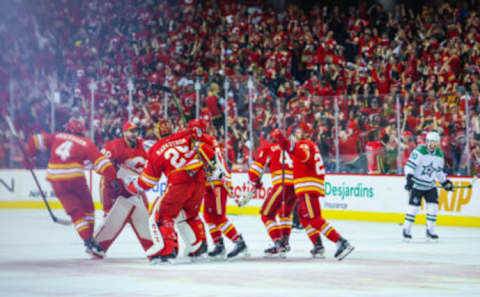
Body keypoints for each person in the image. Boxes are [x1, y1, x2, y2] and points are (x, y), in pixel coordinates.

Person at [25, 119, 121, 258]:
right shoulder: (86, 143)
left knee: (75, 211)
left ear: (68, 129)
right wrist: (113, 178)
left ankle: (87, 240)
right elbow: (102, 163)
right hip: (74, 177)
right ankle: (91, 240)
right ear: (82, 132)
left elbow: (35, 140)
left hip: (55, 179)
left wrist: (29, 157)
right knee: (88, 207)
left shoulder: (57, 136)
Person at [127, 122, 215, 263]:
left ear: (158, 133)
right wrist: (197, 133)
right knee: (189, 215)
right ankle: (198, 247)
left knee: (162, 214)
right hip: (199, 180)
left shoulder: (156, 148)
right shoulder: (186, 135)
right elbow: (208, 143)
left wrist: (134, 186)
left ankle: (167, 250)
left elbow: (149, 181)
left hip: (179, 181)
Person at [274, 120, 354, 260]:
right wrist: (284, 143)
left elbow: (302, 155)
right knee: (304, 217)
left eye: (299, 131)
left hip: (307, 186)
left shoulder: (305, 144)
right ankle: (317, 245)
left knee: (314, 218)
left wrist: (285, 142)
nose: (296, 134)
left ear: (305, 133)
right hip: (306, 186)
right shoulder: (309, 144)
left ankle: (341, 242)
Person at [94, 121, 154, 255]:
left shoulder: (144, 145)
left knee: (144, 214)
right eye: (130, 131)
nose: (134, 134)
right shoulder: (114, 146)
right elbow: (98, 164)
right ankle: (98, 246)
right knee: (110, 216)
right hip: (112, 186)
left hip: (133, 186)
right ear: (124, 132)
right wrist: (112, 177)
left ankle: (152, 246)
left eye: (135, 131)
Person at [248, 128, 296, 257]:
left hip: (282, 184)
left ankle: (278, 243)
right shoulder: (291, 148)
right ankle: (285, 243)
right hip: (295, 186)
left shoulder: (267, 149)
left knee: (266, 214)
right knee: (284, 213)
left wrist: (255, 182)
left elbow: (254, 172)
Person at [202, 129, 248, 259]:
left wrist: (224, 179)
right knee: (208, 216)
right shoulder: (201, 146)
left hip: (217, 185)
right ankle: (219, 244)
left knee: (218, 216)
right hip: (208, 185)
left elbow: (222, 167)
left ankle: (239, 241)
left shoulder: (209, 147)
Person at [402, 131, 454, 240]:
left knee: (433, 208)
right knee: (414, 209)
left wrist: (445, 182)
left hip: (430, 186)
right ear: (427, 141)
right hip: (417, 185)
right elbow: (409, 166)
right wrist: (409, 179)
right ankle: (406, 230)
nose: (433, 144)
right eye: (431, 142)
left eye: (435, 142)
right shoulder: (419, 151)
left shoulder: (439, 154)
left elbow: (438, 171)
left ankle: (430, 231)